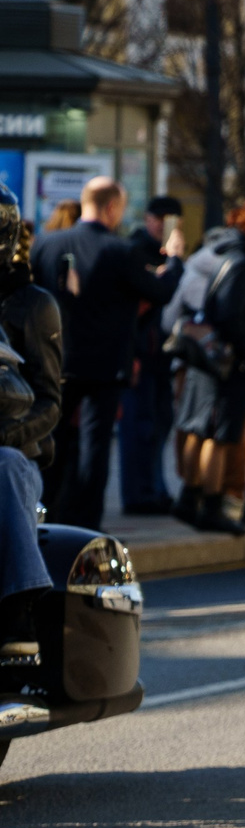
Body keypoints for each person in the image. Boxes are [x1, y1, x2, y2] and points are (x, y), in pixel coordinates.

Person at [32, 177, 186, 529]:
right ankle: (86, 525)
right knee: (94, 447)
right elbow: (160, 292)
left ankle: (43, 517)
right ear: (112, 207)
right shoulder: (119, 250)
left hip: (55, 362)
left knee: (52, 443)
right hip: (105, 366)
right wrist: (175, 260)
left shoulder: (46, 243)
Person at [171, 202, 245, 535]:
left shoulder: (220, 253)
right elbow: (230, 314)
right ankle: (210, 505)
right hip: (228, 363)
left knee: (197, 428)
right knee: (218, 434)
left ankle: (189, 498)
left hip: (208, 358)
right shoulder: (243, 262)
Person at [0, 182, 59, 633]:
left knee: (4, 464)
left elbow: (49, 400)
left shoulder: (32, 304)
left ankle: (19, 611)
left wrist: (6, 433)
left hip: (17, 453)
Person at [118, 195, 188, 515]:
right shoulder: (135, 250)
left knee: (160, 423)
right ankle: (139, 494)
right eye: (159, 219)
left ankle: (155, 489)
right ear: (147, 219)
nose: (164, 226)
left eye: (171, 221)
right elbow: (156, 295)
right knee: (140, 427)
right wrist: (173, 263)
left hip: (161, 355)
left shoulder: (166, 255)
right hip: (140, 354)